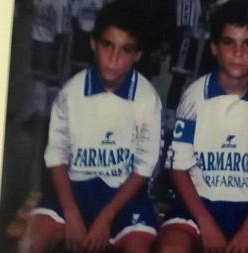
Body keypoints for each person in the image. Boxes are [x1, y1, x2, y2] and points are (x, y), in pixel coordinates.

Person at [19, 2, 162, 253]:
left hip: (124, 194)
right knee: (30, 243)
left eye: (125, 49)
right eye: (108, 45)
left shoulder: (147, 99)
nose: (114, 58)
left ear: (137, 55)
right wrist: (71, 212)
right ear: (93, 43)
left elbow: (144, 167)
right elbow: (56, 156)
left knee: (140, 248)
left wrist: (106, 217)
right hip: (75, 190)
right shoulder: (70, 93)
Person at [157, 1, 248, 253]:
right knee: (171, 248)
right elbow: (177, 168)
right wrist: (206, 222)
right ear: (214, 47)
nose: (238, 52)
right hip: (197, 203)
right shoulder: (193, 97)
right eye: (229, 42)